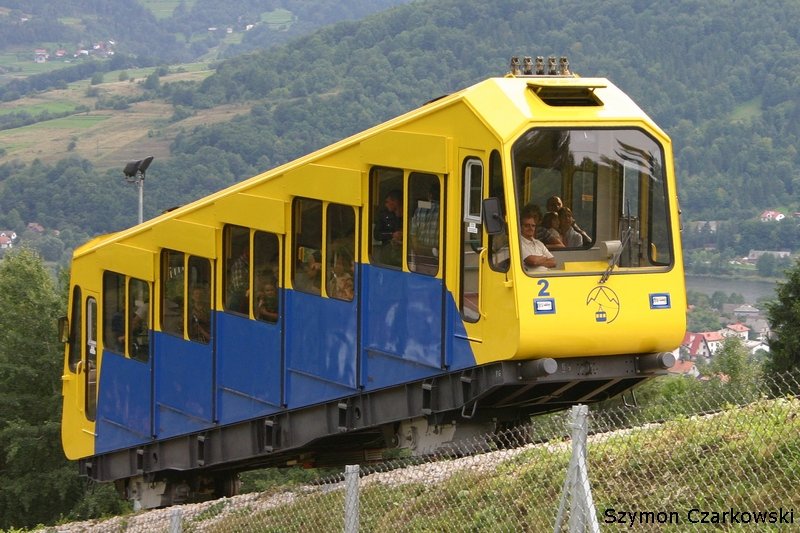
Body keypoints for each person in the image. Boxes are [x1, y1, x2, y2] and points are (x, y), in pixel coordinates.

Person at [409, 184, 440, 275]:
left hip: (420, 254)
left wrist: (417, 249)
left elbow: (413, 234)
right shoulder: (445, 209)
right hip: (436, 255)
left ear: (429, 195)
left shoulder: (419, 208)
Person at [373, 189, 403, 266]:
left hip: (403, 254)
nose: (386, 205)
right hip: (388, 254)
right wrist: (392, 235)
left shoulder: (408, 215)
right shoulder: (383, 216)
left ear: (395, 202)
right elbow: (377, 235)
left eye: (387, 202)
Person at [227, 246, 249, 313]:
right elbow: (239, 286)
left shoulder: (249, 263)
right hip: (239, 300)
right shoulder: (239, 264)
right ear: (246, 251)